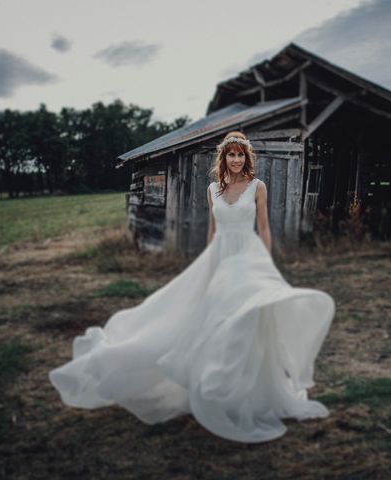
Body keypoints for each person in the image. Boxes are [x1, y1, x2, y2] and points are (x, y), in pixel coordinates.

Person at [48, 131, 336, 443]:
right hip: (220, 259)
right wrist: (208, 269)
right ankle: (215, 386)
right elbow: (212, 232)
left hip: (249, 259)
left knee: (248, 323)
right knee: (214, 323)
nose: (236, 160)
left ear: (247, 158)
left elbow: (264, 228)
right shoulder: (213, 189)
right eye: (231, 155)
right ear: (223, 158)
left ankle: (249, 391)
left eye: (241, 155)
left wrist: (265, 267)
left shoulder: (258, 187)